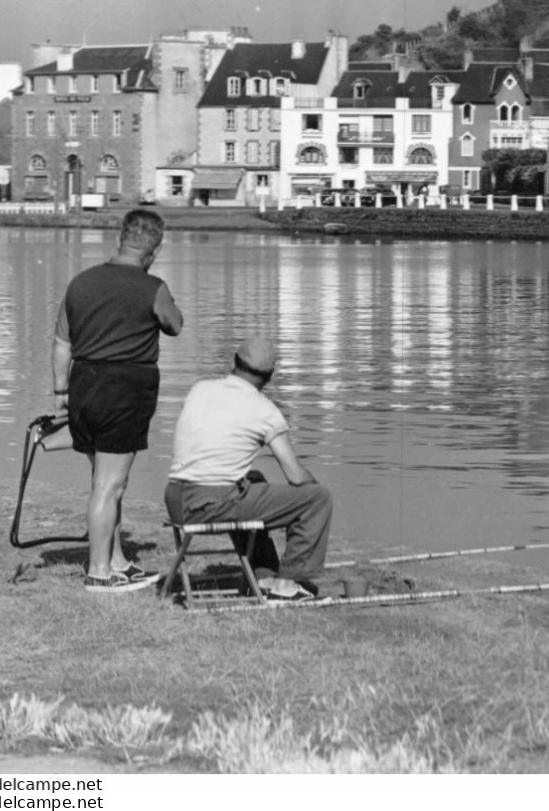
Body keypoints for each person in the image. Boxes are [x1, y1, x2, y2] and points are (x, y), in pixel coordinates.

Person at [44, 207, 184, 592]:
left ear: (120, 238)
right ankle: (100, 573)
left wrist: (60, 393)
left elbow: (61, 342)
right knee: (110, 484)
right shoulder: (152, 287)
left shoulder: (80, 283)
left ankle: (118, 560)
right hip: (124, 388)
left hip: (83, 383)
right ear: (154, 249)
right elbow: (175, 325)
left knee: (103, 477)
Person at [163, 337, 333, 600]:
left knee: (254, 478)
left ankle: (263, 574)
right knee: (316, 499)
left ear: (233, 362)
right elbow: (295, 476)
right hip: (209, 506)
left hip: (175, 499)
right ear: (270, 377)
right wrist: (314, 484)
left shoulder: (200, 389)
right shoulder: (265, 410)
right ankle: (286, 585)